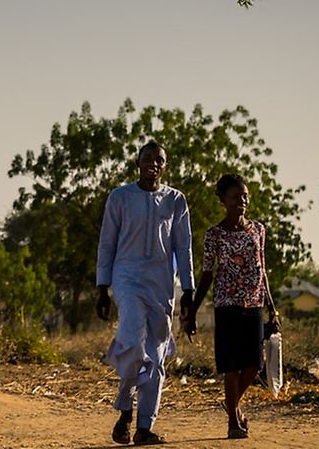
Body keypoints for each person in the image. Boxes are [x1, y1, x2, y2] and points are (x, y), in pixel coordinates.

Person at [96, 141, 195, 445]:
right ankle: (126, 408)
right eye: (148, 158)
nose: (154, 164)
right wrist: (102, 286)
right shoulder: (120, 197)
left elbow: (183, 246)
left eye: (160, 160)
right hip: (126, 278)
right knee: (133, 343)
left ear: (166, 166)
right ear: (137, 162)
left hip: (161, 284)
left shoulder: (175, 201)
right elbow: (107, 242)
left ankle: (143, 426)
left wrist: (188, 290)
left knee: (156, 353)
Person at [191, 174, 280, 440]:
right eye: (235, 197)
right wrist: (193, 309)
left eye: (245, 196)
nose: (242, 201)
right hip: (226, 305)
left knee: (253, 364)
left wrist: (272, 308)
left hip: (254, 304)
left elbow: (262, 270)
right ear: (223, 200)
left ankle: (232, 404)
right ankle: (233, 421)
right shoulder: (214, 235)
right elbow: (207, 274)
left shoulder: (258, 230)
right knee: (231, 366)